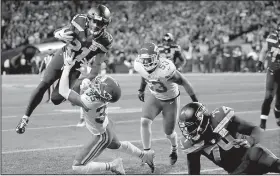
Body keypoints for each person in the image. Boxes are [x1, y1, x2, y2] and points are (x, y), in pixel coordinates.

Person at [16, 5, 114, 134]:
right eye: (94, 21)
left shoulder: (106, 41)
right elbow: (61, 32)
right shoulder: (79, 20)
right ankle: (25, 118)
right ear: (89, 19)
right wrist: (59, 33)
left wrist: (89, 75)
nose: (96, 25)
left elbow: (97, 66)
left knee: (56, 99)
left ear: (106, 25)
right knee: (44, 83)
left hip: (76, 67)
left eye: (101, 23)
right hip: (64, 56)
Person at [58, 49, 155, 174]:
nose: (98, 82)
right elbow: (92, 87)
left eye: (100, 84)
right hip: (106, 126)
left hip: (101, 135)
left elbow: (63, 91)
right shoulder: (101, 97)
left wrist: (66, 68)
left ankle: (113, 165)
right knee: (116, 144)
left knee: (78, 166)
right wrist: (86, 73)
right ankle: (144, 155)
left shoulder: (89, 101)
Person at [134, 42, 199, 165]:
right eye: (144, 60)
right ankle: (147, 153)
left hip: (170, 101)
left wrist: (195, 101)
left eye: (149, 60)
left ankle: (174, 148)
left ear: (156, 57)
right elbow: (145, 75)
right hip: (155, 97)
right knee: (144, 121)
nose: (146, 63)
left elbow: (185, 82)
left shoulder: (166, 69)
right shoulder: (139, 65)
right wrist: (141, 89)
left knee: (168, 133)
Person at [178, 102, 280, 174]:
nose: (187, 132)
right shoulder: (191, 144)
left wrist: (250, 140)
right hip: (238, 171)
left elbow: (255, 129)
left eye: (190, 127)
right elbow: (194, 172)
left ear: (201, 120)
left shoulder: (219, 119)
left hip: (253, 155)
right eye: (186, 128)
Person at [258, 23, 280, 130]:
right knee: (268, 97)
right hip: (273, 71)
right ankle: (263, 123)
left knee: (279, 101)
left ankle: (277, 117)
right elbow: (263, 50)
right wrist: (260, 61)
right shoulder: (272, 38)